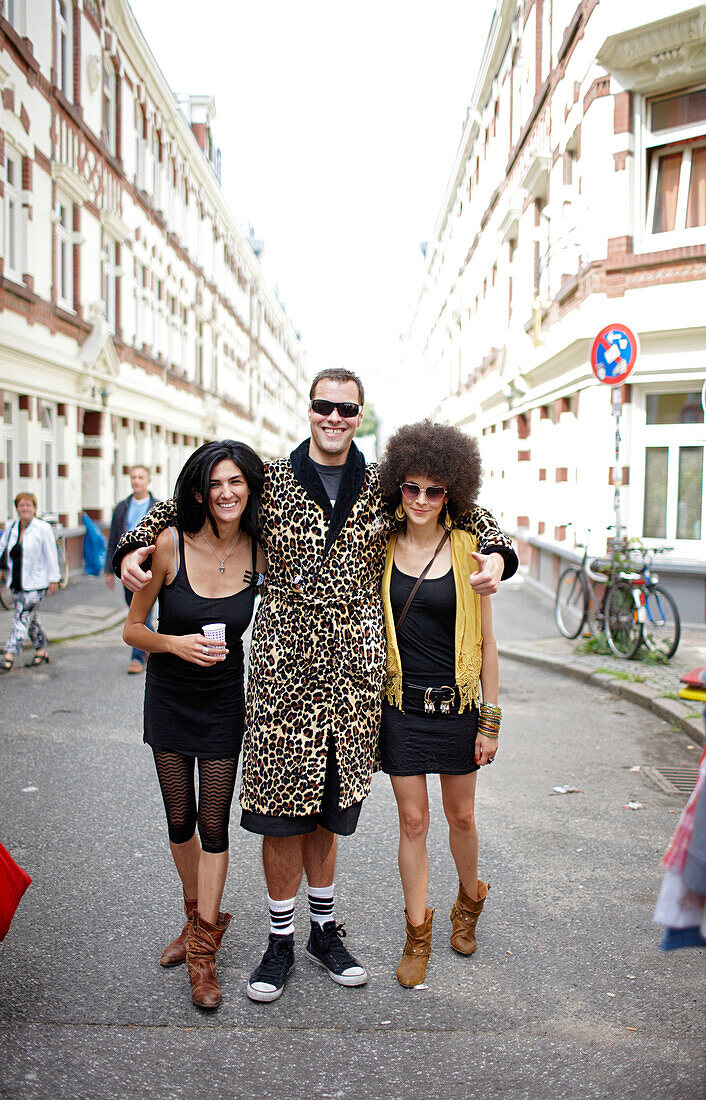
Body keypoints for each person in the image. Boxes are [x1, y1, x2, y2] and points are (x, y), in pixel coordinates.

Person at [113, 369, 518, 1004]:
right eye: (324, 406)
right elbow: (189, 498)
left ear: (360, 414)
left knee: (330, 811)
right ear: (309, 409)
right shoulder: (270, 478)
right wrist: (133, 545)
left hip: (356, 675)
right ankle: (280, 940)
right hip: (282, 674)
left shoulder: (386, 486)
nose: (335, 417)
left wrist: (500, 558)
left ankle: (324, 930)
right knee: (280, 815)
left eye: (347, 408)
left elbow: (466, 514)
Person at [122, 440, 265, 1009]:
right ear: (200, 492)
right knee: (178, 819)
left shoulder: (262, 552)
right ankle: (198, 914)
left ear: (249, 489)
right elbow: (133, 629)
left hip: (225, 701)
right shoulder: (170, 546)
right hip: (171, 695)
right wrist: (172, 643)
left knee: (214, 825)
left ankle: (203, 953)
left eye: (236, 483)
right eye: (215, 484)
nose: (226, 494)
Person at [377, 421, 501, 987]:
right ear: (397, 488)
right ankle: (417, 932)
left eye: (434, 490)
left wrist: (490, 720)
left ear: (451, 492)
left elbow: (487, 642)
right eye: (411, 488)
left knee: (462, 817)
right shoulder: (377, 548)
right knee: (412, 819)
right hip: (402, 707)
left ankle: (469, 903)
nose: (422, 500)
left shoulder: (472, 550)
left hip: (457, 709)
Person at [106, 465, 159, 674]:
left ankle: (137, 657)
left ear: (148, 480)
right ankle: (153, 646)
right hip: (126, 567)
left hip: (150, 568)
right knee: (134, 609)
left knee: (142, 611)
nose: (136, 481)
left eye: (140, 477)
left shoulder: (157, 506)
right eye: (133, 477)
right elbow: (113, 540)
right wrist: (109, 570)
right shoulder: (121, 507)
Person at [0, 493, 60, 672]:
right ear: (17, 508)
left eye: (28, 505)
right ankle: (41, 650)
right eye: (21, 505)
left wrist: (54, 578)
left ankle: (9, 655)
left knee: (21, 618)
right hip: (17, 581)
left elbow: (51, 554)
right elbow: (2, 548)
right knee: (30, 619)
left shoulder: (42, 528)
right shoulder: (12, 527)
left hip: (37, 583)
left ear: (34, 508)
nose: (24, 508)